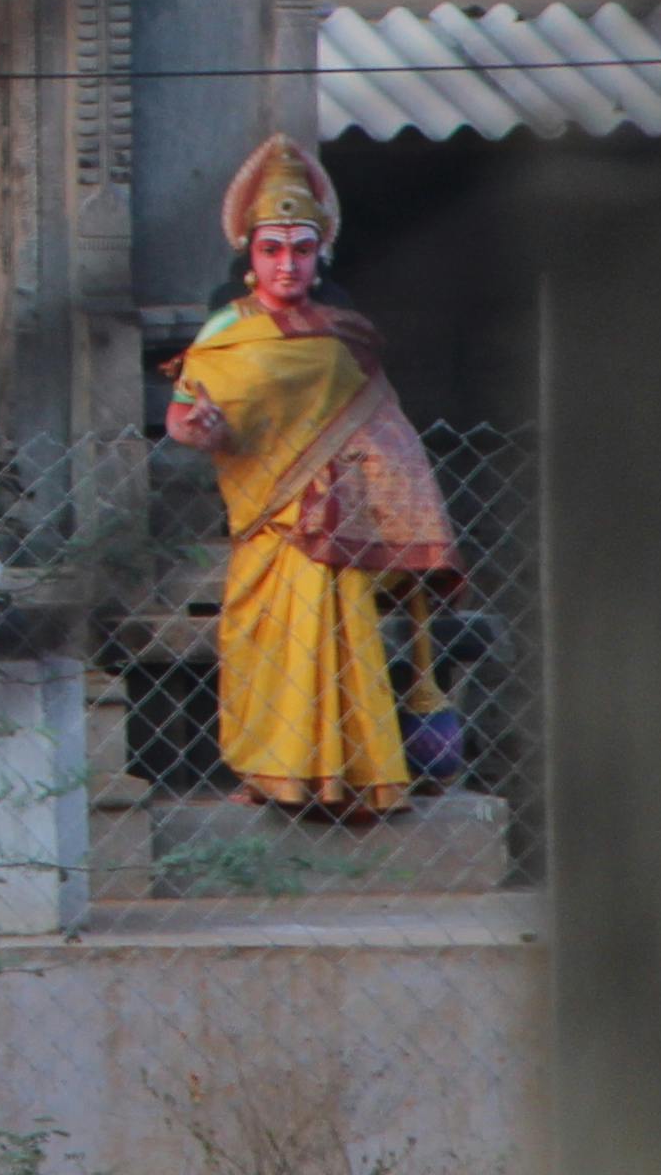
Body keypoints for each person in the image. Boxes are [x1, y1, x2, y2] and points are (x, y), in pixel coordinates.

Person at [166, 137, 463, 818]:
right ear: (250, 255)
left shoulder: (345, 334)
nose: (287, 264)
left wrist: (388, 500)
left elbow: (389, 431)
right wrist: (202, 430)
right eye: (273, 249)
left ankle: (355, 779)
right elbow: (184, 418)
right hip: (268, 522)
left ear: (319, 253)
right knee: (258, 641)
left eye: (301, 249)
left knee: (345, 643)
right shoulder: (227, 330)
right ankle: (272, 776)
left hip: (340, 523)